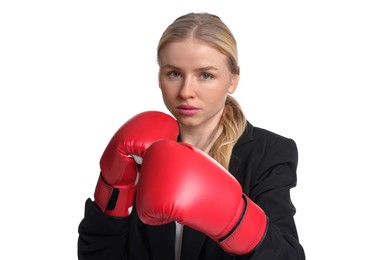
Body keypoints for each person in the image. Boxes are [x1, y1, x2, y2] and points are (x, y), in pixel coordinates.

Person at [78, 12, 305, 260]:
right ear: (160, 76)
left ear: (232, 80)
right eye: (174, 73)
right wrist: (112, 189)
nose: (186, 92)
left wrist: (236, 221)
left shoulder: (268, 153)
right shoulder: (137, 149)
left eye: (205, 75)